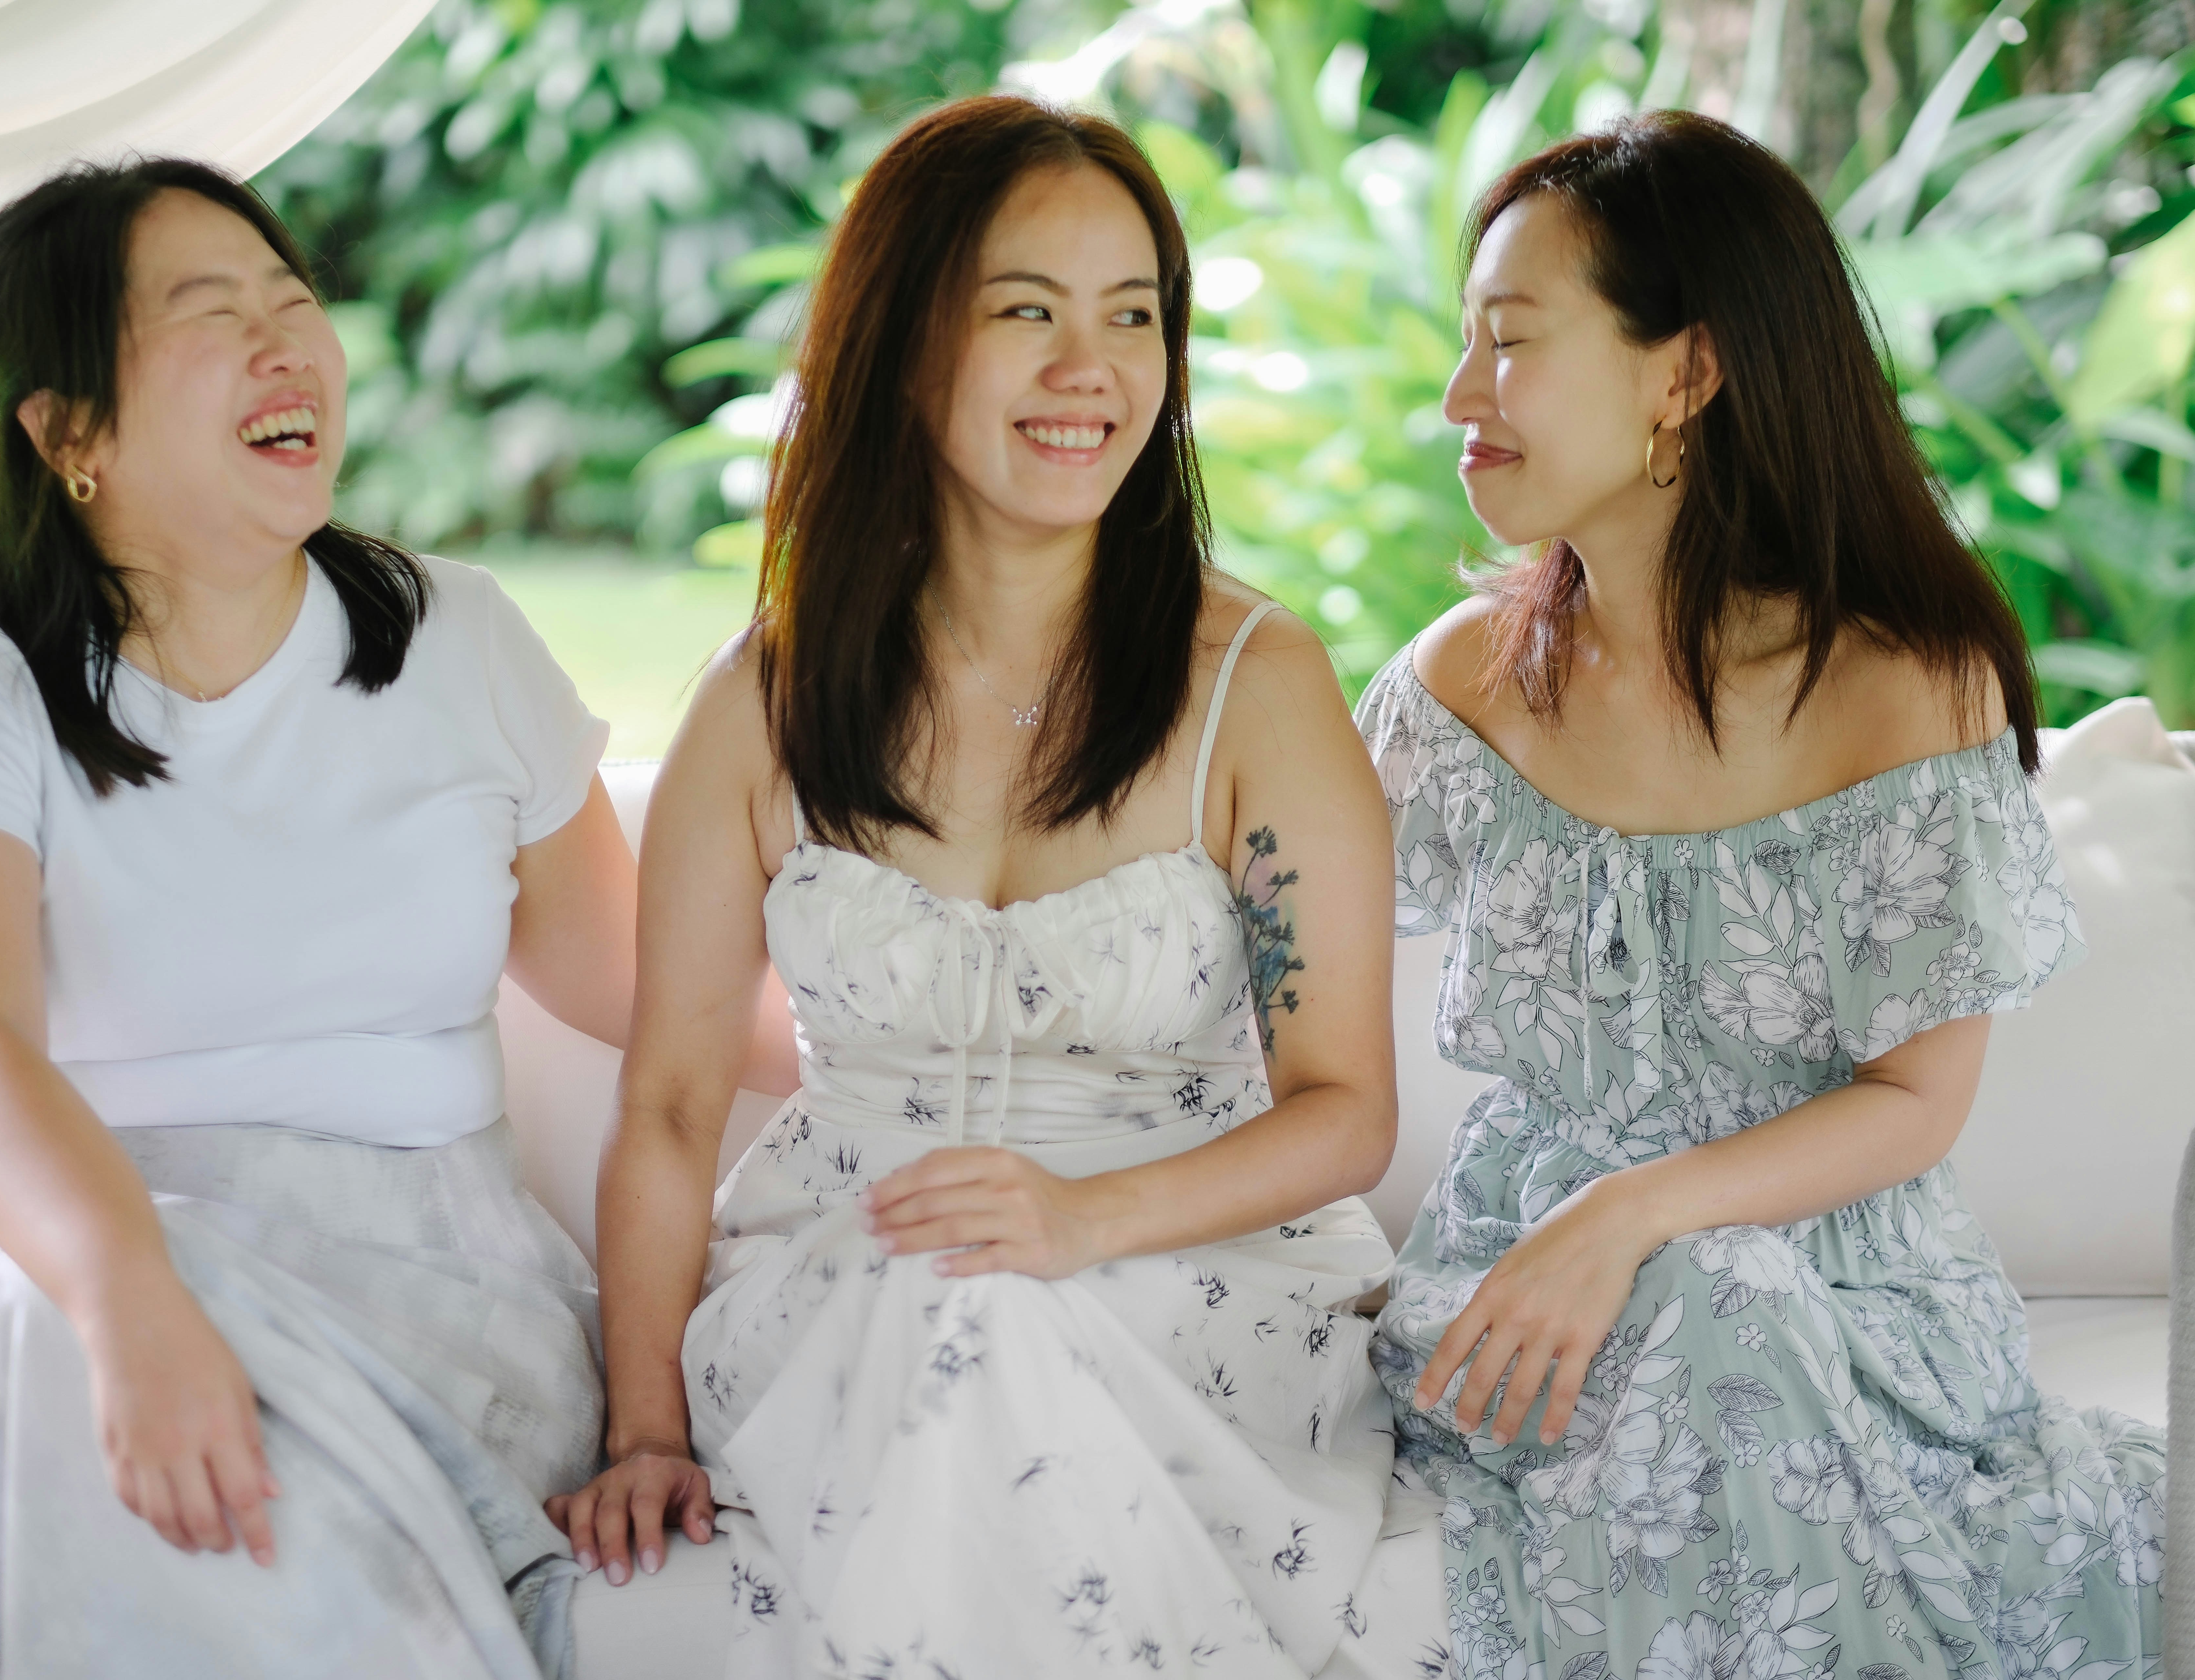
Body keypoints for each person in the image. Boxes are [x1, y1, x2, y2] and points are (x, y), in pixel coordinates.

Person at [0, 159, 638, 1680]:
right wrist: (125, 1293)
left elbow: (640, 984)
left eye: (296, 300)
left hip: (428, 1280)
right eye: (214, 313)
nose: (292, 346)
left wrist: (925, 1049)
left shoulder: (460, 638)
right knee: (62, 1334)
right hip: (40, 1249)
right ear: (69, 430)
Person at [550, 94, 1405, 1677]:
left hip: (1183, 1274)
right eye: (1028, 313)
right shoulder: (764, 705)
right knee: (950, 1306)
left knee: (989, 1314)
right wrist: (645, 1422)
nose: (1093, 370)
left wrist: (1081, 1220)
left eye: (1133, 316)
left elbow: (1347, 1106)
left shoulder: (1257, 685)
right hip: (843, 1282)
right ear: (905, 344)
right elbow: (670, 1106)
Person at [1360, 110, 2164, 1676]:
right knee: (1688, 1314)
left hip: (1842, 1298)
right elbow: (1255, 962)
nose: (1462, 400)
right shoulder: (1462, 686)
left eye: (1513, 344)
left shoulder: (1900, 689)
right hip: (1525, 1301)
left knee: (1717, 1295)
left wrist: (1637, 1209)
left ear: (1686, 373)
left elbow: (1917, 1101)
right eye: (1469, 345)